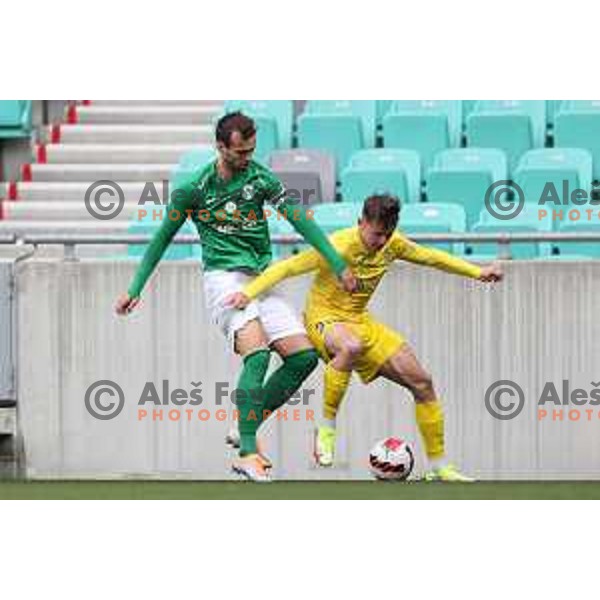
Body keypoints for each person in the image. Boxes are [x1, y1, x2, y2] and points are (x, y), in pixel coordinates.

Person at [115, 111, 357, 482]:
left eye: (251, 151)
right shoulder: (194, 188)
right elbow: (161, 239)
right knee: (257, 355)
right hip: (224, 280)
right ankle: (247, 452)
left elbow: (299, 218)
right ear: (220, 147)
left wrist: (337, 263)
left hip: (262, 277)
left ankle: (247, 421)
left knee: (305, 357)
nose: (246, 158)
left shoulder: (260, 178)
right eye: (240, 153)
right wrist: (135, 288)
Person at [226, 194, 504, 482]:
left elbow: (432, 258)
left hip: (361, 321)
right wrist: (249, 292)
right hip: (324, 318)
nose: (382, 241)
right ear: (360, 223)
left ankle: (440, 465)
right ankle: (326, 429)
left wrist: (478, 272)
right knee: (350, 346)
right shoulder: (339, 245)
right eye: (376, 234)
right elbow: (288, 267)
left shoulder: (392, 243)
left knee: (422, 382)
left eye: (388, 234)